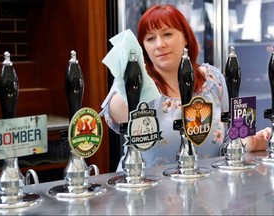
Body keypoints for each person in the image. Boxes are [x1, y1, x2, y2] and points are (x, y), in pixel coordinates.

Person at [100, 4, 270, 170]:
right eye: (150, 38)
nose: (159, 44)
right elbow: (119, 115)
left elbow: (226, 141)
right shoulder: (138, 84)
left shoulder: (212, 79)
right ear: (142, 46)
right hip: (147, 191)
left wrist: (246, 143)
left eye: (167, 34)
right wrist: (129, 79)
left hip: (204, 189)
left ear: (186, 38)